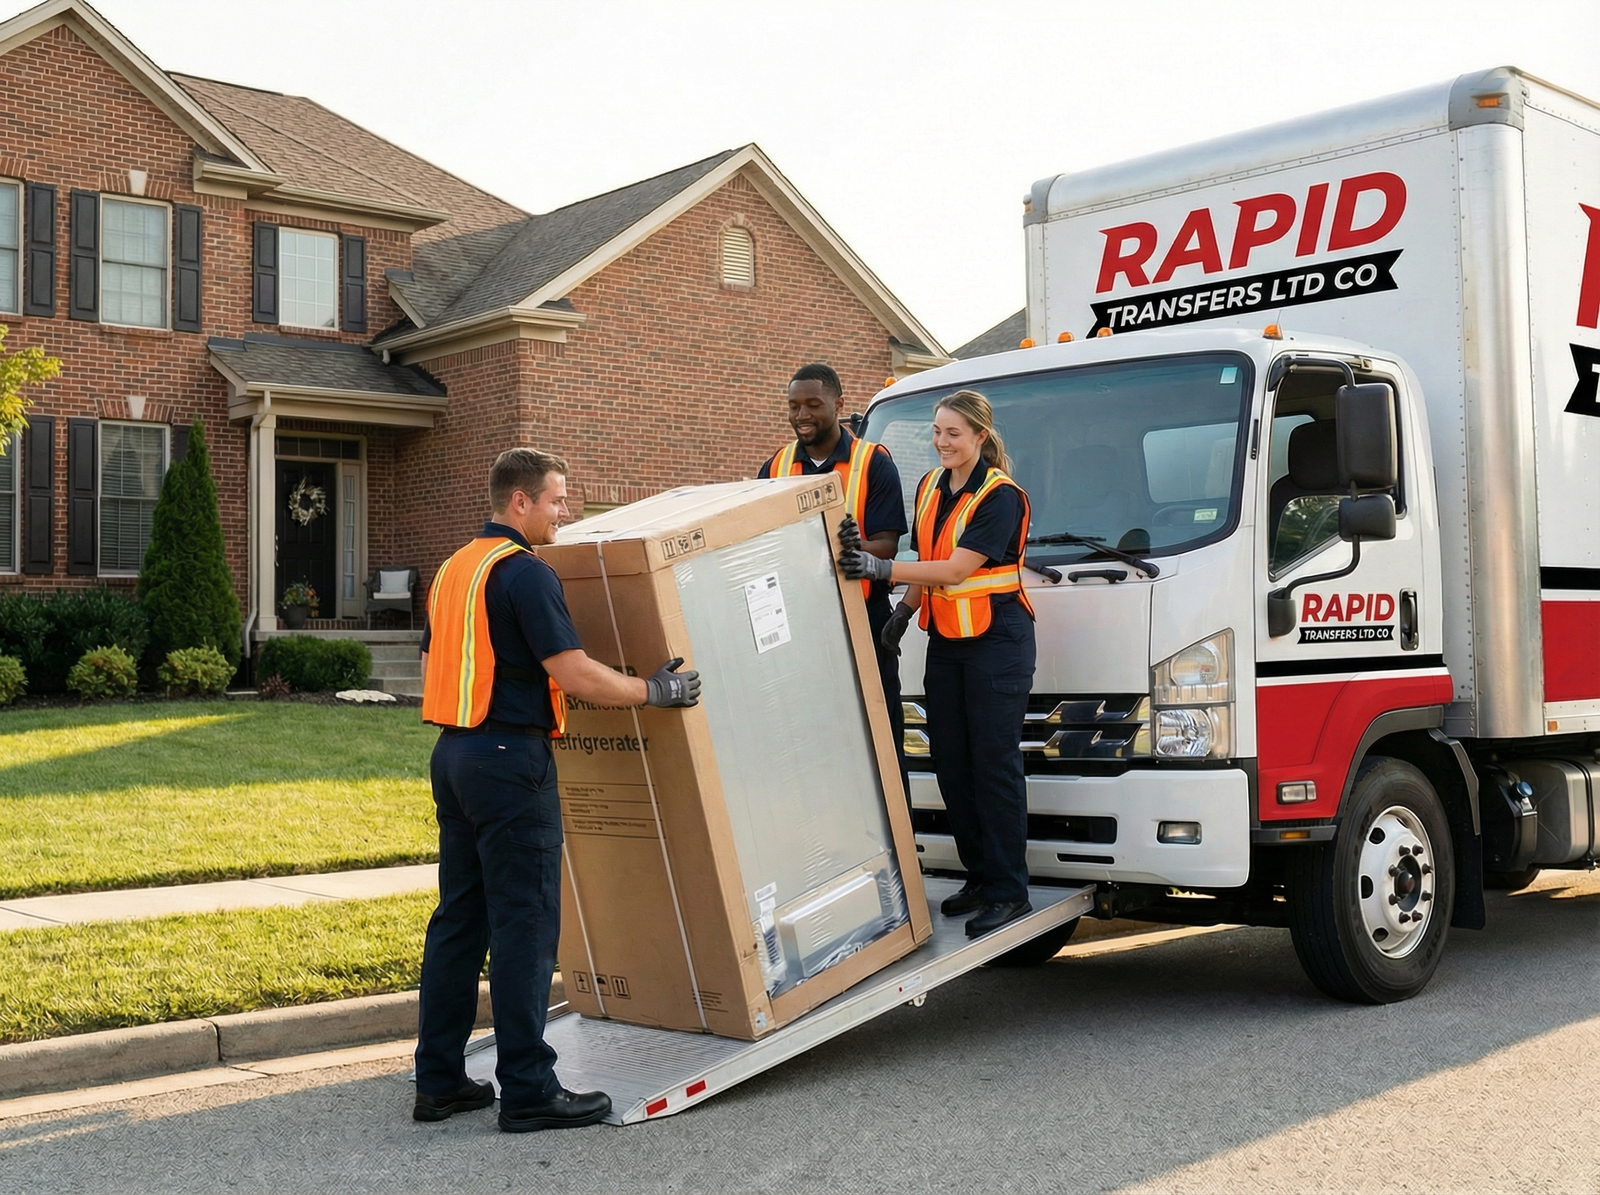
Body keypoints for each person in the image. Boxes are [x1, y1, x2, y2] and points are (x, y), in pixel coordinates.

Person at [415, 447, 701, 1132]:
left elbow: (432, 659)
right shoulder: (524, 574)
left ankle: (440, 1080)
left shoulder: (457, 568)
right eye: (558, 499)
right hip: (512, 758)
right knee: (525, 924)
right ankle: (528, 1089)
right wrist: (652, 689)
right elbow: (573, 671)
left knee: (459, 920)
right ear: (521, 502)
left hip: (454, 753)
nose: (566, 512)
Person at [836, 390, 1036, 937]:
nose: (941, 442)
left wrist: (879, 569)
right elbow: (926, 562)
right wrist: (902, 613)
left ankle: (1008, 890)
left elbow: (953, 571)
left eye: (953, 433)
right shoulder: (928, 487)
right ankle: (979, 877)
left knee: (992, 764)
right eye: (937, 431)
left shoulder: (1001, 497)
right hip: (950, 642)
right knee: (951, 761)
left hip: (998, 643)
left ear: (981, 438)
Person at [759, 362, 910, 798]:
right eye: (793, 406)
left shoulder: (874, 463)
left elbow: (888, 545)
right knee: (813, 735)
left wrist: (853, 548)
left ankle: (897, 839)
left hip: (864, 615)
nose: (801, 415)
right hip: (800, 623)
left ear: (839, 405)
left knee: (880, 730)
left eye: (812, 404)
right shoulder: (775, 467)